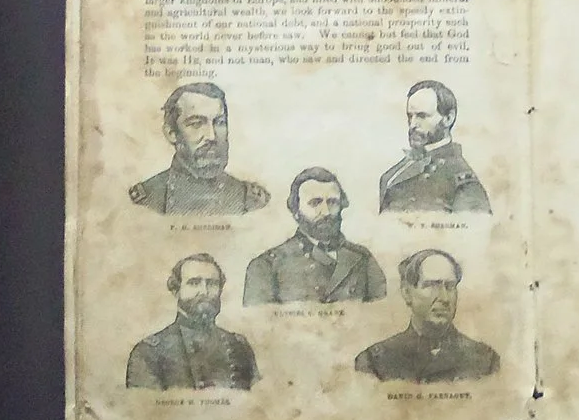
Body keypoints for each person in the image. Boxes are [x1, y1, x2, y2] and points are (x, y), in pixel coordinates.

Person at [354, 249, 499, 383]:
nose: (444, 298)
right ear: (407, 293)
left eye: (450, 286)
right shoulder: (375, 363)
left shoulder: (485, 362)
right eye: (431, 285)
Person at [244, 169, 386, 305]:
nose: (326, 212)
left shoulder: (362, 259)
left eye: (332, 202)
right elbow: (258, 319)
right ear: (295, 210)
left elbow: (382, 312)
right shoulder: (266, 266)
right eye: (315, 203)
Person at [129, 82, 270, 215]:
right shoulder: (147, 199)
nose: (212, 136)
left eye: (220, 123)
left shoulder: (249, 201)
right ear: (171, 133)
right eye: (196, 124)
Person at [125, 254, 257, 390]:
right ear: (176, 290)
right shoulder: (149, 352)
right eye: (194, 283)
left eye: (212, 284)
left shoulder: (240, 347)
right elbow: (147, 402)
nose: (204, 291)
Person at [378, 79, 490, 213]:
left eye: (422, 116)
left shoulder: (463, 183)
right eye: (410, 116)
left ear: (448, 118)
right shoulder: (399, 170)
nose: (412, 125)